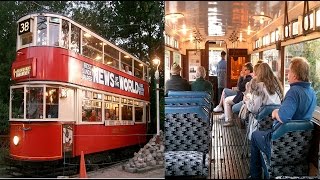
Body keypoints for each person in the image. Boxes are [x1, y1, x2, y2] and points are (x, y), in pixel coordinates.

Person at [249, 57, 317, 179]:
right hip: (300, 148)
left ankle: (255, 175)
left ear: (295, 75)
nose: (288, 74)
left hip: (279, 143)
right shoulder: (311, 92)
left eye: (290, 71)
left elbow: (283, 117)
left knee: (255, 136)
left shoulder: (294, 91)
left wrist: (275, 112)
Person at [243, 62, 283, 139]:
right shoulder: (278, 85)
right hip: (275, 124)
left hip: (261, 123)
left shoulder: (259, 87)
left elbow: (254, 109)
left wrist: (247, 101)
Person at [222, 62, 253, 127]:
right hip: (242, 95)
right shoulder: (248, 77)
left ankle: (229, 120)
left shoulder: (248, 78)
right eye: (243, 69)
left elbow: (240, 87)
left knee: (227, 100)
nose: (243, 71)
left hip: (242, 97)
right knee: (226, 95)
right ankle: (227, 115)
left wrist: (241, 77)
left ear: (249, 71)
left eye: (245, 70)